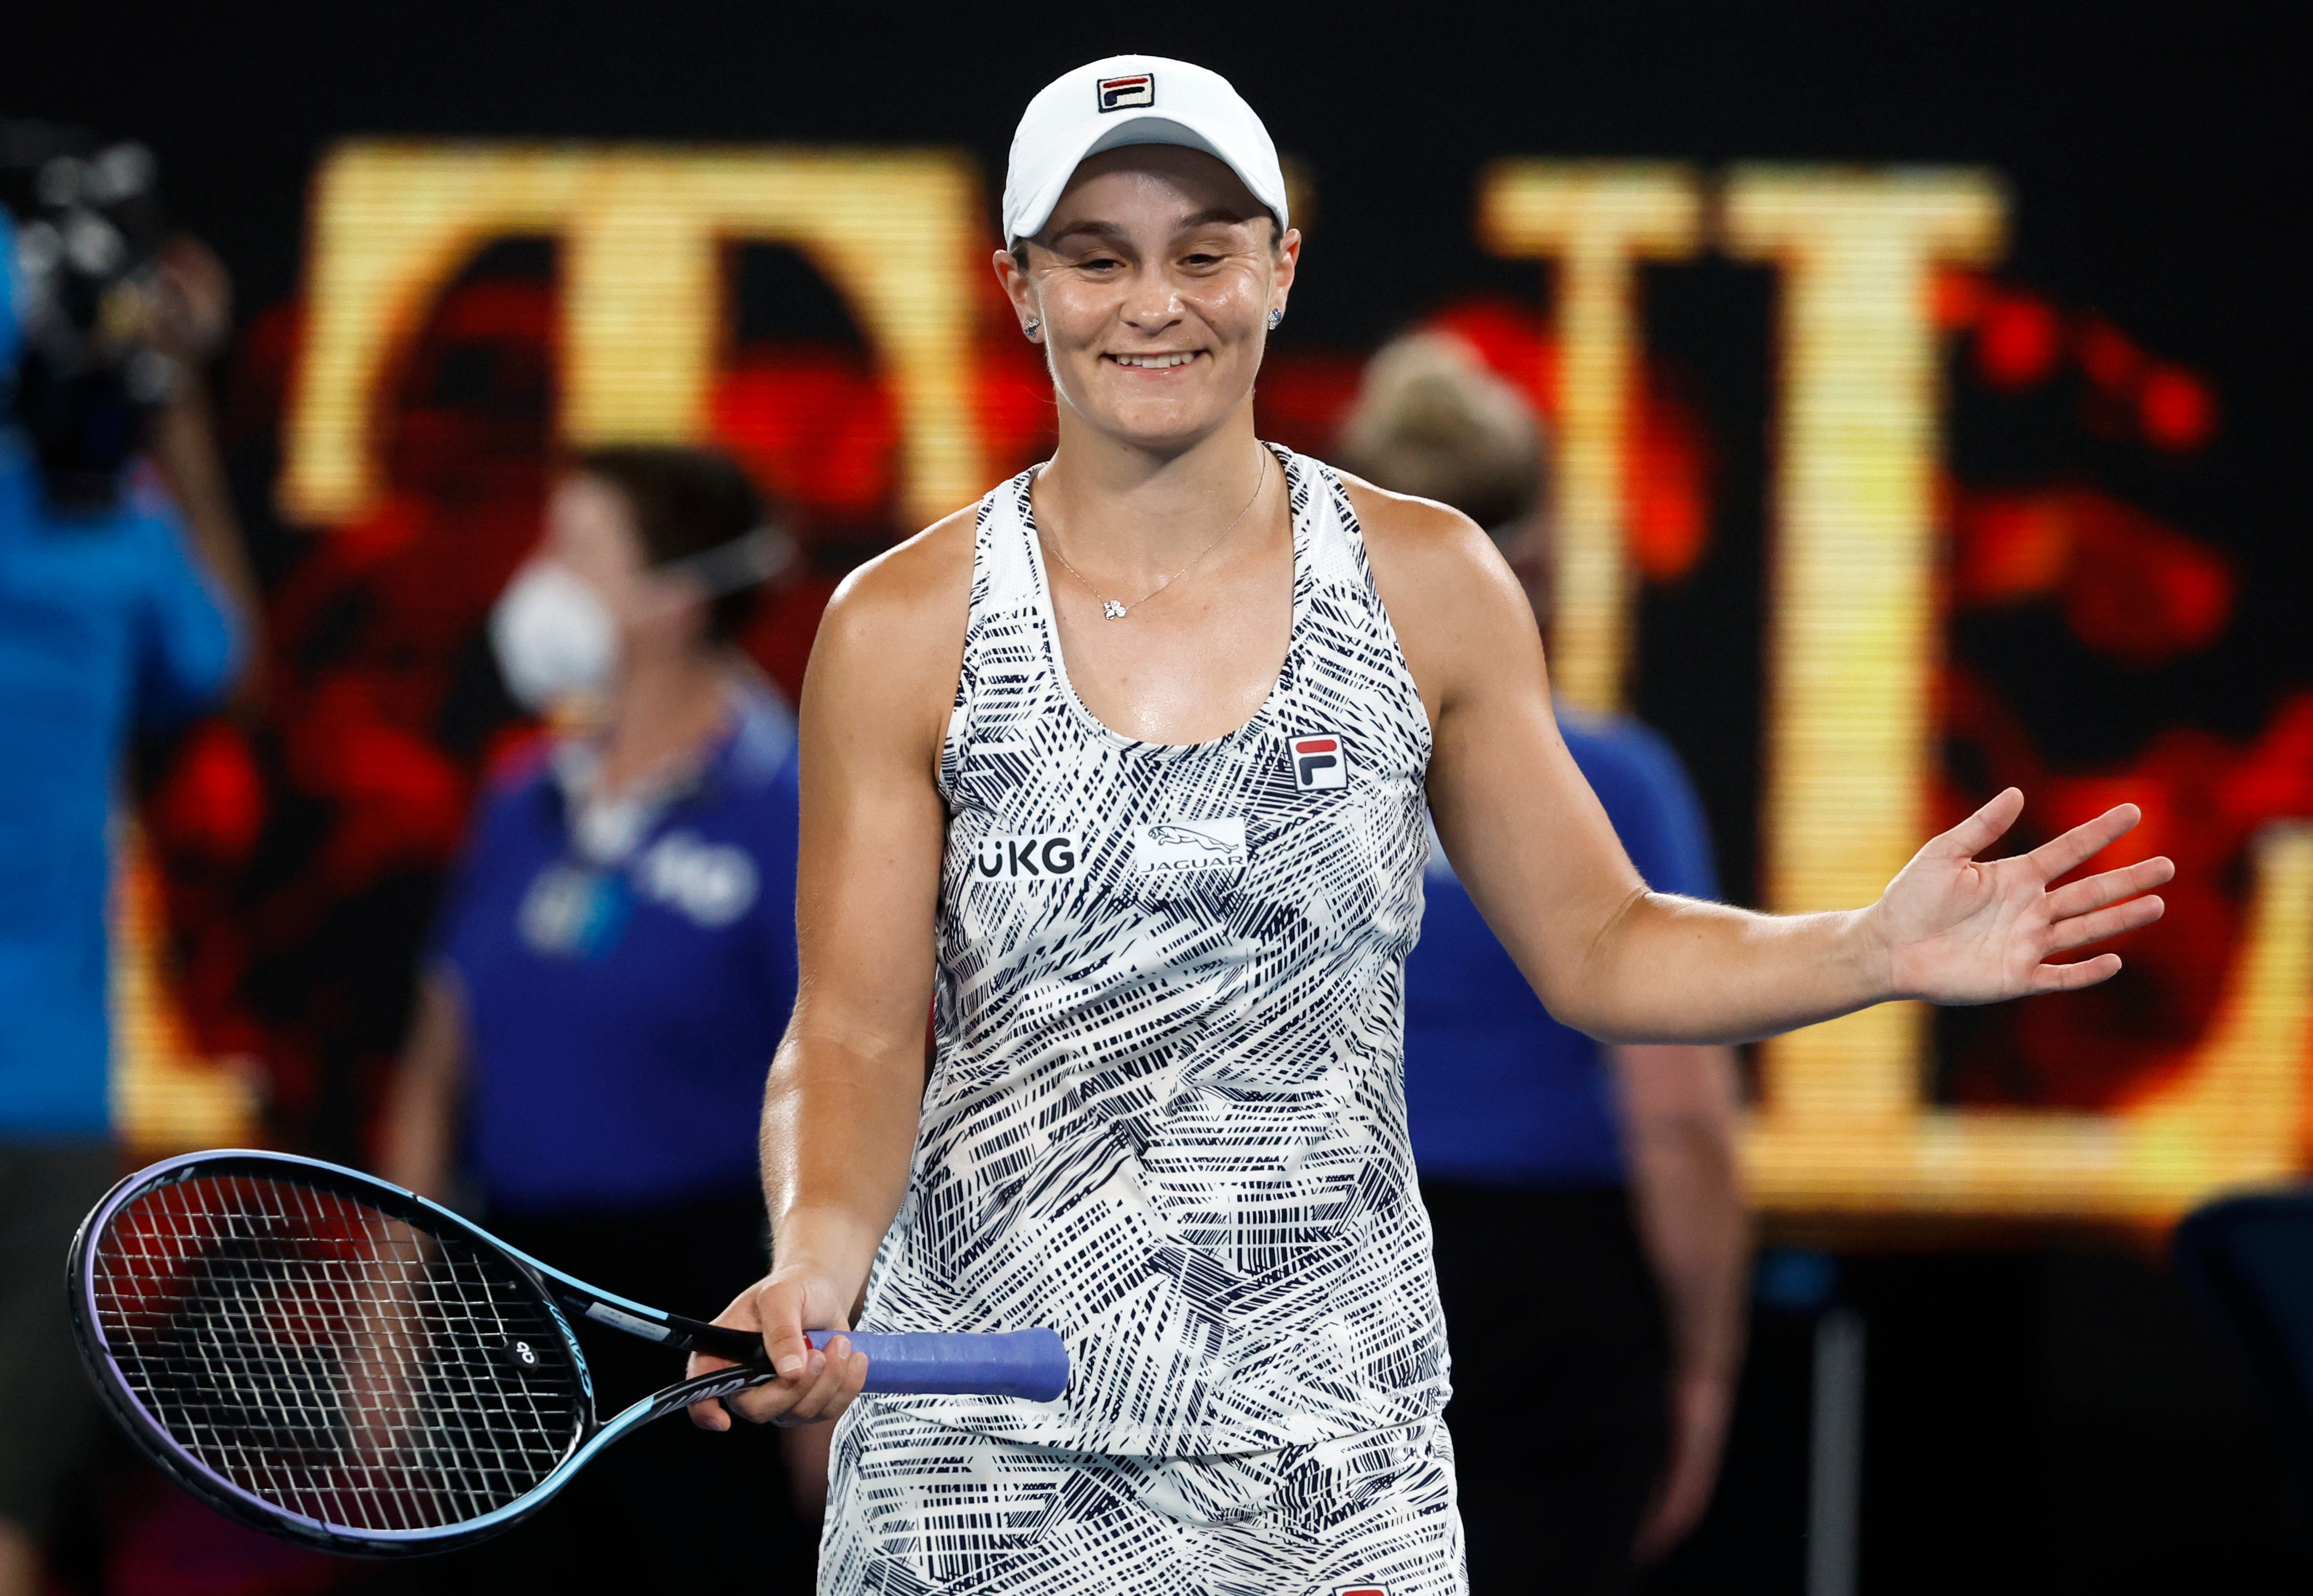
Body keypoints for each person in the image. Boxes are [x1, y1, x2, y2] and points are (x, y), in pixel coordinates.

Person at [689, 55, 2172, 1595]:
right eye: (1096, 255)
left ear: (1280, 267)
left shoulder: (1427, 583)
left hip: (1328, 1461)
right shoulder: (899, 627)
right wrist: (813, 1256)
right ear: (1017, 286)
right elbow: (857, 1036)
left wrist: (1870, 946)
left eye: (1203, 250)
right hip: (983, 1465)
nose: (1155, 302)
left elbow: (1602, 945)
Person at [1341, 332, 1746, 1594]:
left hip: (1300, 1275)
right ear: (1540, 562)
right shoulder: (1611, 784)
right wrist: (1705, 1369)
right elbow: (1678, 1122)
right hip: (1546, 1308)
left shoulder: (1229, 769)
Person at [377, 445, 816, 1589]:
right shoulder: (522, 795)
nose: (537, 579)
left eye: (573, 550)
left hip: (703, 1304)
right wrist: (387, 1315)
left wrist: (823, 1375)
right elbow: (437, 1066)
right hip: (503, 1292)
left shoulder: (789, 810)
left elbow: (849, 1093)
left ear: (672, 602)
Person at [0, 132, 249, 1596]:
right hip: (35, 1115)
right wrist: (164, 397)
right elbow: (224, 659)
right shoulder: (107, 532)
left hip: (26, 1110)